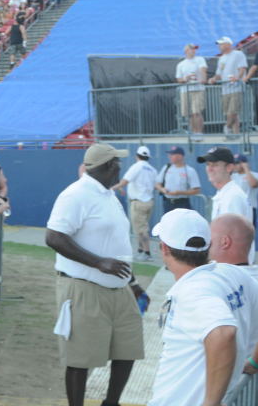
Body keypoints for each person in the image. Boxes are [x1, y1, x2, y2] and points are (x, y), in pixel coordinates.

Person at [45, 143, 145, 406]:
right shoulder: (75, 194)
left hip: (119, 288)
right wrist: (98, 262)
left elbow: (116, 245)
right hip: (83, 287)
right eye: (118, 163)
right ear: (110, 165)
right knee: (80, 357)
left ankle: (111, 403)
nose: (120, 167)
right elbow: (54, 237)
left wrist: (133, 283)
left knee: (128, 349)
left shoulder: (108, 194)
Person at [149, 209, 258, 406]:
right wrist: (254, 361)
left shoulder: (194, 291)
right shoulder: (234, 274)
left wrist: (211, 403)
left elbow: (223, 333)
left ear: (164, 248)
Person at [115, 145, 158, 260]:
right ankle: (141, 250)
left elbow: (125, 181)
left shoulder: (136, 167)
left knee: (141, 229)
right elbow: (156, 185)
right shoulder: (153, 170)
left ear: (136, 156)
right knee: (142, 227)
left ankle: (147, 253)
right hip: (149, 201)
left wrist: (113, 188)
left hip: (138, 202)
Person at [210, 36, 247, 134]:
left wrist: (237, 78)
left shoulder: (238, 54)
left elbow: (242, 68)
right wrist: (213, 79)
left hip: (237, 88)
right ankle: (235, 134)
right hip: (225, 89)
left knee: (233, 111)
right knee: (230, 113)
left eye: (221, 44)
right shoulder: (221, 58)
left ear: (228, 44)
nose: (219, 46)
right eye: (219, 44)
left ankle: (227, 127)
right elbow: (219, 74)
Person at [202, 146, 250, 220]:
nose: (209, 169)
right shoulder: (226, 193)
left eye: (215, 164)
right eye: (208, 164)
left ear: (229, 168)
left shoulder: (233, 197)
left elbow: (233, 227)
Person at [156, 146, 200, 213]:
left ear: (180, 156)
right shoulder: (167, 167)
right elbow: (157, 184)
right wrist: (162, 189)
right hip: (168, 202)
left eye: (172, 154)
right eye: (169, 154)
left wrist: (180, 192)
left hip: (182, 203)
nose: (170, 156)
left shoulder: (189, 171)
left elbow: (196, 190)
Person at [175, 43, 207, 134]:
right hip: (185, 91)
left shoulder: (200, 59)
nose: (194, 51)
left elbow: (203, 69)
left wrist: (203, 78)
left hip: (198, 89)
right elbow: (178, 79)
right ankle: (194, 132)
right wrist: (186, 79)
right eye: (191, 49)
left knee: (196, 112)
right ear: (186, 51)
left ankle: (199, 133)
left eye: (194, 49)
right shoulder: (181, 64)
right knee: (189, 114)